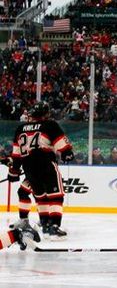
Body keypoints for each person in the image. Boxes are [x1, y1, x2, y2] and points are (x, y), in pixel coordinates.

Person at [8, 101, 73, 239]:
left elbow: (16, 154)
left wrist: (13, 171)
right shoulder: (49, 125)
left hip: (29, 168)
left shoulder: (21, 129)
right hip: (46, 164)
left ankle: (44, 223)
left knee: (41, 196)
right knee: (56, 195)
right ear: (46, 113)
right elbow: (63, 146)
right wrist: (68, 153)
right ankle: (54, 227)